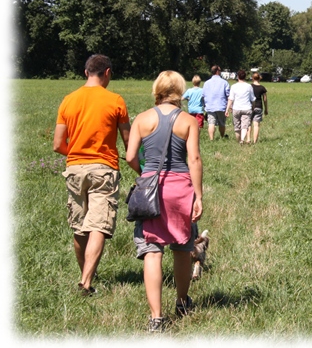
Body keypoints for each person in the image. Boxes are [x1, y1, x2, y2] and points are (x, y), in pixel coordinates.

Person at [125, 71, 203, 333]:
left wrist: (145, 175)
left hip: (152, 188)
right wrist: (199, 195)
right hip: (181, 189)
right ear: (180, 91)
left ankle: (156, 317)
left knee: (152, 250)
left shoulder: (142, 119)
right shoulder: (188, 121)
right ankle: (182, 302)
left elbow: (130, 156)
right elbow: (194, 160)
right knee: (182, 247)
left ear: (156, 89)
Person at [53, 54, 131, 297]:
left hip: (75, 168)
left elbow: (57, 144)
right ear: (107, 72)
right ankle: (86, 282)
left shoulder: (68, 100)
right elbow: (128, 141)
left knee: (79, 227)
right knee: (98, 225)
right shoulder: (116, 100)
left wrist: (76, 153)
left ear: (86, 72)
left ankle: (86, 275)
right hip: (104, 169)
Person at [225, 69, 255, 144]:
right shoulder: (249, 86)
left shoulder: (234, 86)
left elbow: (230, 99)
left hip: (236, 108)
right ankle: (242, 139)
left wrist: (227, 109)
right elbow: (253, 99)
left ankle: (239, 141)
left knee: (237, 127)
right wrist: (253, 107)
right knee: (245, 126)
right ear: (245, 77)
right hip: (247, 108)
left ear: (237, 77)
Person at [202, 65, 230, 140]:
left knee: (211, 123)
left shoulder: (206, 83)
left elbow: (203, 95)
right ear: (217, 71)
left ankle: (211, 139)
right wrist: (229, 106)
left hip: (210, 105)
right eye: (220, 70)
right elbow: (228, 94)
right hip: (221, 105)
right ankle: (222, 136)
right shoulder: (224, 82)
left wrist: (204, 105)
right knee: (222, 123)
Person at [249, 72, 268, 143]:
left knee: (249, 124)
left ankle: (248, 139)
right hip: (259, 107)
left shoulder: (249, 86)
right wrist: (266, 109)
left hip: (250, 107)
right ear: (259, 78)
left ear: (253, 78)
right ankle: (255, 141)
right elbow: (265, 99)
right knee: (256, 125)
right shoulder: (262, 88)